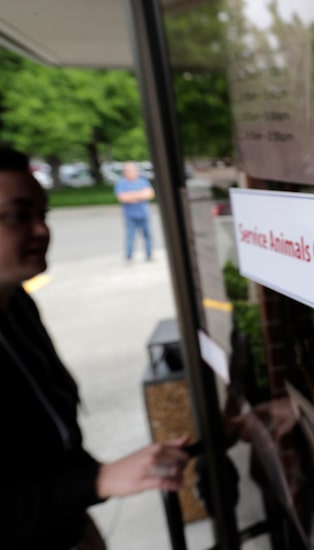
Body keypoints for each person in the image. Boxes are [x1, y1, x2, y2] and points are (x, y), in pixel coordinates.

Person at [0, 147, 189, 549]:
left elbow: (53, 432)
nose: (41, 230)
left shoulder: (17, 305)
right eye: (18, 216)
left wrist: (86, 496)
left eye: (43, 214)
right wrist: (98, 481)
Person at [114, 161, 155, 262]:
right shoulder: (121, 183)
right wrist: (140, 194)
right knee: (130, 236)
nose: (132, 172)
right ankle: (129, 256)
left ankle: (149, 255)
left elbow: (150, 194)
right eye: (129, 171)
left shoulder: (142, 181)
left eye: (134, 170)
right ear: (125, 172)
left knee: (147, 235)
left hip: (143, 213)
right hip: (130, 215)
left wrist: (132, 195)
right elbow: (122, 197)